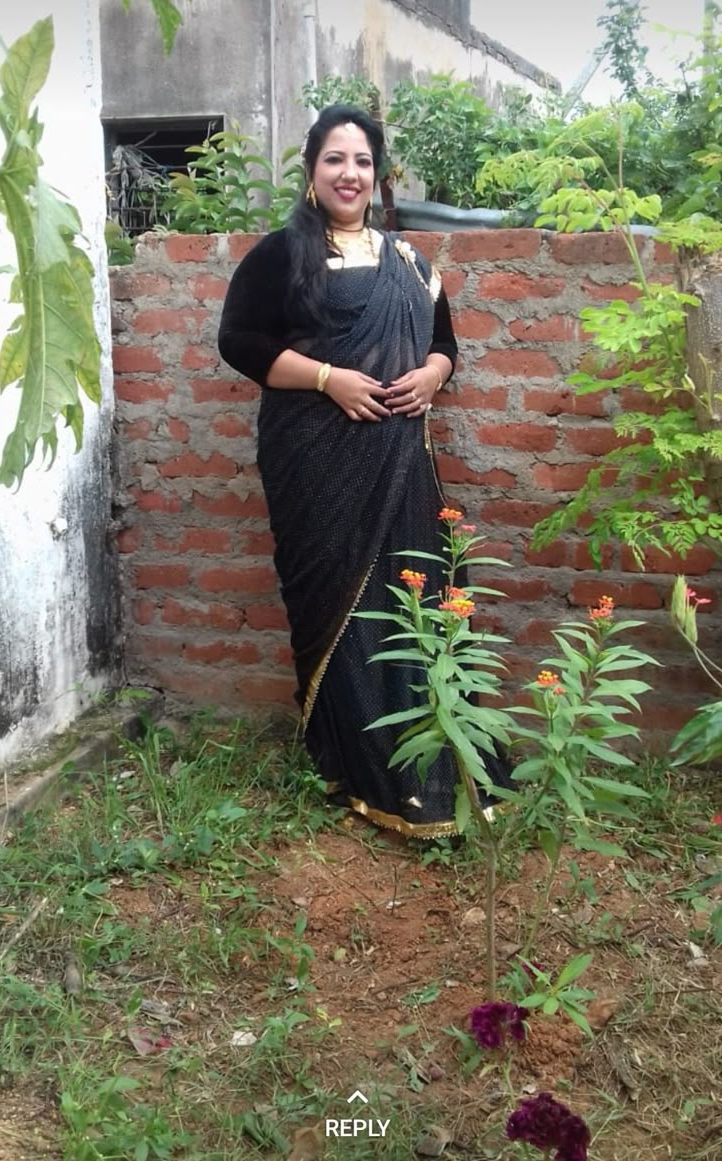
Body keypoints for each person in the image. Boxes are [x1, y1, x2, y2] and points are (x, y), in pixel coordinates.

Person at [218, 104, 511, 836]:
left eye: (362, 162)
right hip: (313, 464)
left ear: (376, 176)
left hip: (400, 462)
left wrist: (434, 374)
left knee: (413, 595)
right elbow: (239, 341)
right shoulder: (280, 256)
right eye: (334, 160)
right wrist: (329, 380)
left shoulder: (409, 262)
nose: (350, 173)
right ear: (312, 173)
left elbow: (445, 341)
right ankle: (350, 763)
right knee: (336, 612)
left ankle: (429, 758)